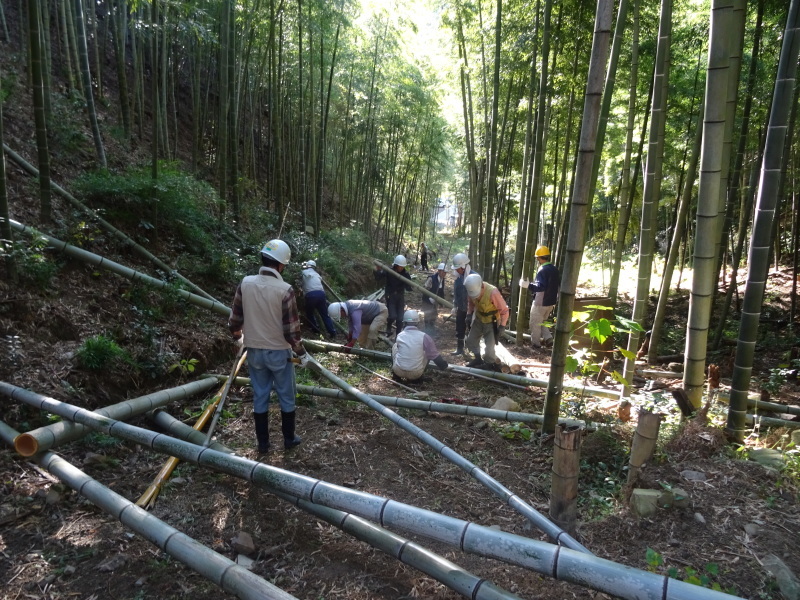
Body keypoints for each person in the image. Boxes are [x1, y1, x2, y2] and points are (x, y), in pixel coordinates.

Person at [228, 239, 307, 453]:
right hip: (280, 353)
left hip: (254, 352)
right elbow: (291, 332)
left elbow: (235, 320)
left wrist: (238, 338)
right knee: (286, 395)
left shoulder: (245, 283)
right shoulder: (285, 290)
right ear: (282, 265)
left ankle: (263, 443)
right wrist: (302, 354)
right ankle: (289, 439)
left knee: (260, 395)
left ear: (263, 258)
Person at [464, 273, 510, 370]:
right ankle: (477, 358)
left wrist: (502, 325)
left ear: (481, 286)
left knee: (489, 347)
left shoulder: (492, 292)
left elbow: (504, 310)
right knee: (471, 341)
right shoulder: (470, 289)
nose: (475, 296)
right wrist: (469, 314)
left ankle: (489, 364)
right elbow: (471, 303)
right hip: (479, 318)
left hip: (492, 321)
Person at [519, 245, 560, 349]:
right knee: (542, 322)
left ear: (538, 258)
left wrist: (528, 285)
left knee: (535, 324)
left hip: (540, 302)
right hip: (551, 302)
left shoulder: (542, 270)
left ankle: (535, 345)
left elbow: (540, 287)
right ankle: (549, 339)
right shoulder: (554, 269)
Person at [392, 310, 448, 382]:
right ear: (417, 322)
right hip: (415, 374)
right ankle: (418, 377)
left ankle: (396, 376)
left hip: (398, 371)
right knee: (427, 352)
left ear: (404, 323)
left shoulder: (400, 335)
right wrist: (443, 365)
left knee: (395, 346)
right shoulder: (424, 337)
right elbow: (434, 355)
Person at [374, 255, 412, 338]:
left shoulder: (405, 274)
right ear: (396, 265)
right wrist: (378, 270)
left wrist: (409, 285)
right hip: (390, 296)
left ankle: (398, 336)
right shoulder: (389, 271)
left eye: (402, 267)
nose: (401, 268)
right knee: (392, 316)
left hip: (400, 297)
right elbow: (378, 277)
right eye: (399, 266)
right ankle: (389, 325)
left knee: (400, 319)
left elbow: (409, 287)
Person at [299, 259, 337, 339]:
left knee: (310, 313)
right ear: (314, 267)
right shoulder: (317, 274)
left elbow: (299, 283)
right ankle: (332, 332)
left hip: (310, 295)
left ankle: (316, 330)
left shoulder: (303, 272)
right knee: (325, 314)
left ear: (307, 266)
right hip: (321, 294)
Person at [450, 253, 471, 355]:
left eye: (458, 268)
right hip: (461, 308)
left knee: (471, 329)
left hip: (472, 309)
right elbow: (456, 294)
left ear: (464, 266)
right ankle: (459, 349)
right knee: (459, 328)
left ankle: (471, 350)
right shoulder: (458, 280)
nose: (456, 270)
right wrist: (455, 306)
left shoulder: (474, 277)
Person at [421, 262, 447, 331]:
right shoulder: (431, 279)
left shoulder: (442, 280)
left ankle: (432, 329)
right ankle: (427, 330)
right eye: (443, 272)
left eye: (445, 272)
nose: (444, 274)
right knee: (427, 315)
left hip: (435, 301)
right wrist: (429, 297)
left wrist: (441, 303)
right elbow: (424, 289)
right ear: (439, 271)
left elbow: (441, 292)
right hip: (427, 300)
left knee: (434, 315)